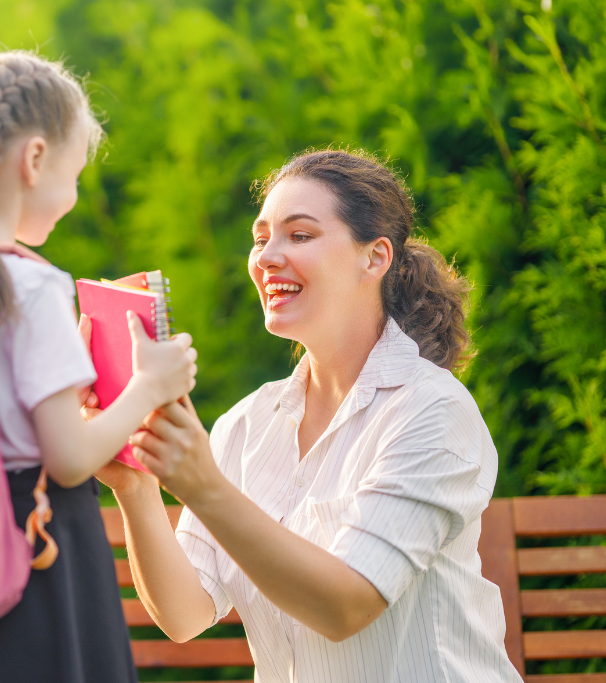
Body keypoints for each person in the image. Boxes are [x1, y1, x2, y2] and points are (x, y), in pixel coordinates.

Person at [95, 149, 523, 682]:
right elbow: (185, 614)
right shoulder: (248, 424)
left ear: (375, 257)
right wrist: (134, 487)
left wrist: (203, 486)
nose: (267, 257)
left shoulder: (431, 412)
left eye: (299, 236)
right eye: (260, 238)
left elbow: (345, 605)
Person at [0, 51, 198, 683]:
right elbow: (70, 458)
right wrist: (150, 386)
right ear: (33, 161)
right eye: (75, 174)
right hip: (35, 565)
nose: (75, 196)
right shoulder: (30, 286)